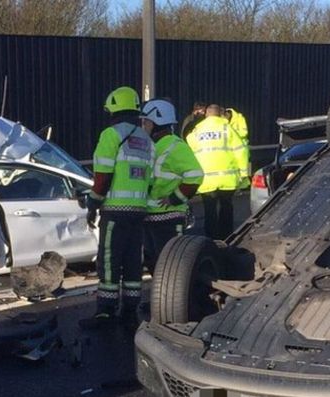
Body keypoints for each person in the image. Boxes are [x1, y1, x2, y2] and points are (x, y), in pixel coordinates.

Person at [87, 86, 155, 326]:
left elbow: (103, 175)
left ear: (113, 109)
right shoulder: (146, 139)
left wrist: (93, 202)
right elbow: (151, 178)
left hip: (115, 210)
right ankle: (129, 310)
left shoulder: (111, 135)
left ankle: (105, 311)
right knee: (132, 261)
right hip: (139, 211)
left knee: (109, 260)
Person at [140, 99, 204, 272]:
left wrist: (175, 198)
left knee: (171, 268)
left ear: (157, 122)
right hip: (150, 217)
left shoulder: (175, 146)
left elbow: (195, 175)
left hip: (169, 218)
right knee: (156, 264)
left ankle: (178, 299)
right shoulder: (153, 146)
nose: (143, 125)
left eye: (146, 121)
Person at [186, 104, 244, 240]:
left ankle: (210, 239)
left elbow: (189, 147)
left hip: (207, 179)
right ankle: (227, 237)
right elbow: (241, 151)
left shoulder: (197, 131)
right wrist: (243, 174)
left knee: (209, 210)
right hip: (227, 178)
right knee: (226, 207)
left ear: (206, 114)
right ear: (220, 114)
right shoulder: (227, 128)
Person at [224, 107, 251, 189]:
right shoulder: (224, 122)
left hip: (242, 146)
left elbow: (244, 132)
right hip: (232, 147)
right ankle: (238, 183)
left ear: (227, 114)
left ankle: (246, 185)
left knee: (245, 166)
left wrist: (232, 132)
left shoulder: (239, 118)